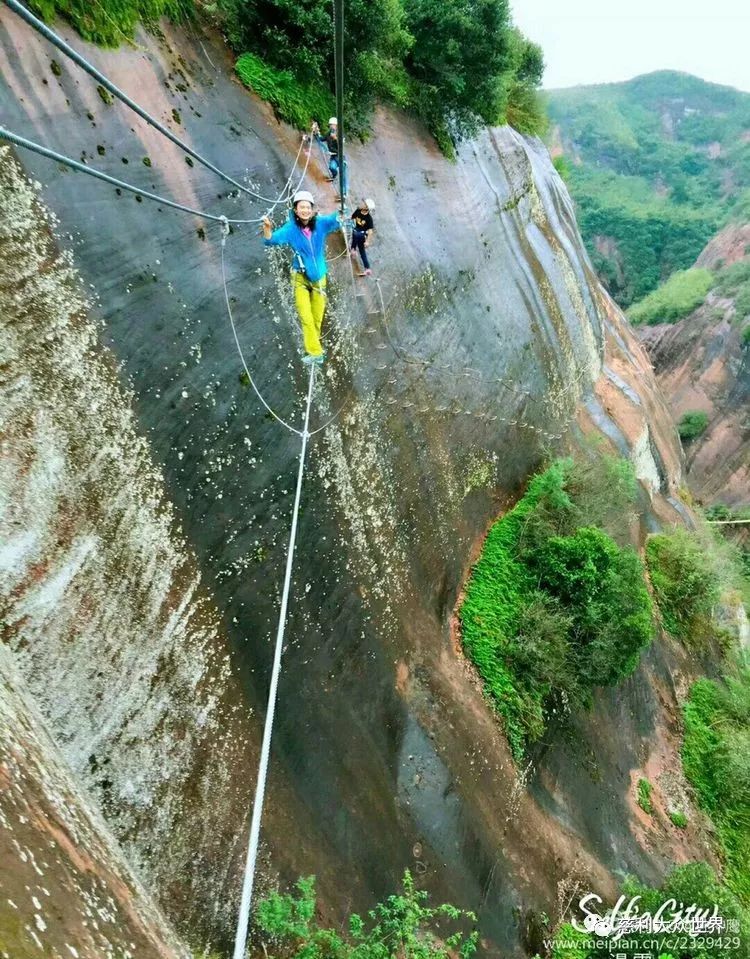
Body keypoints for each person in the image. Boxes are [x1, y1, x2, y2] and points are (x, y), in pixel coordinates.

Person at [262, 191, 341, 364]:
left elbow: (334, 220)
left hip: (319, 277)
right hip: (299, 278)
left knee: (317, 315)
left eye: (307, 207)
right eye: (301, 207)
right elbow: (271, 241)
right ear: (296, 210)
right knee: (305, 316)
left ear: (312, 210)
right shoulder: (291, 229)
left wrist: (342, 211)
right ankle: (315, 352)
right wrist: (267, 229)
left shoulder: (320, 224)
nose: (305, 210)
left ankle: (314, 347)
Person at [313, 117, 348, 198]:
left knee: (343, 176)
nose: (332, 126)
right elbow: (321, 139)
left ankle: (344, 194)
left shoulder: (340, 134)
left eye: (333, 125)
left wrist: (335, 138)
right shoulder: (329, 134)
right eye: (330, 125)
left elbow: (341, 145)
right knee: (332, 167)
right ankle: (334, 175)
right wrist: (316, 133)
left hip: (340, 157)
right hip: (333, 156)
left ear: (336, 126)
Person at [350, 198, 375, 276]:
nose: (362, 203)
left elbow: (370, 231)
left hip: (361, 235)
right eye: (363, 202)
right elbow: (352, 217)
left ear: (366, 208)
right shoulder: (358, 210)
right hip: (356, 231)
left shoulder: (369, 218)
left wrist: (367, 241)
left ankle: (367, 268)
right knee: (354, 236)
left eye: (364, 204)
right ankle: (353, 250)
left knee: (361, 250)